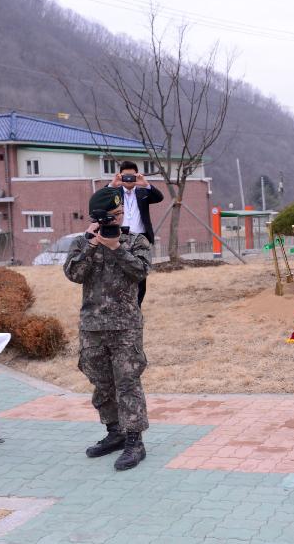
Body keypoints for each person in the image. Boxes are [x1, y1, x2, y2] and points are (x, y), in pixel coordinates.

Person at [64, 187, 152, 471]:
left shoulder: (136, 241)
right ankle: (114, 432)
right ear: (96, 217)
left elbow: (140, 272)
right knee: (101, 383)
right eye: (110, 216)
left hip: (125, 326)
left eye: (119, 214)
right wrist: (91, 245)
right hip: (92, 327)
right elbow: (74, 275)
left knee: (127, 383)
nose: (116, 220)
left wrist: (117, 248)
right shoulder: (82, 243)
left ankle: (134, 441)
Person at [109, 161, 163, 306]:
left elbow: (159, 197)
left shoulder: (143, 192)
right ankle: (121, 306)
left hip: (141, 238)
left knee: (140, 274)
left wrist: (146, 184)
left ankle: (137, 307)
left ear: (137, 175)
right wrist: (112, 185)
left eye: (131, 176)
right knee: (120, 272)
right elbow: (100, 199)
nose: (128, 179)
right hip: (119, 238)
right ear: (120, 176)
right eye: (125, 176)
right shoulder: (114, 192)